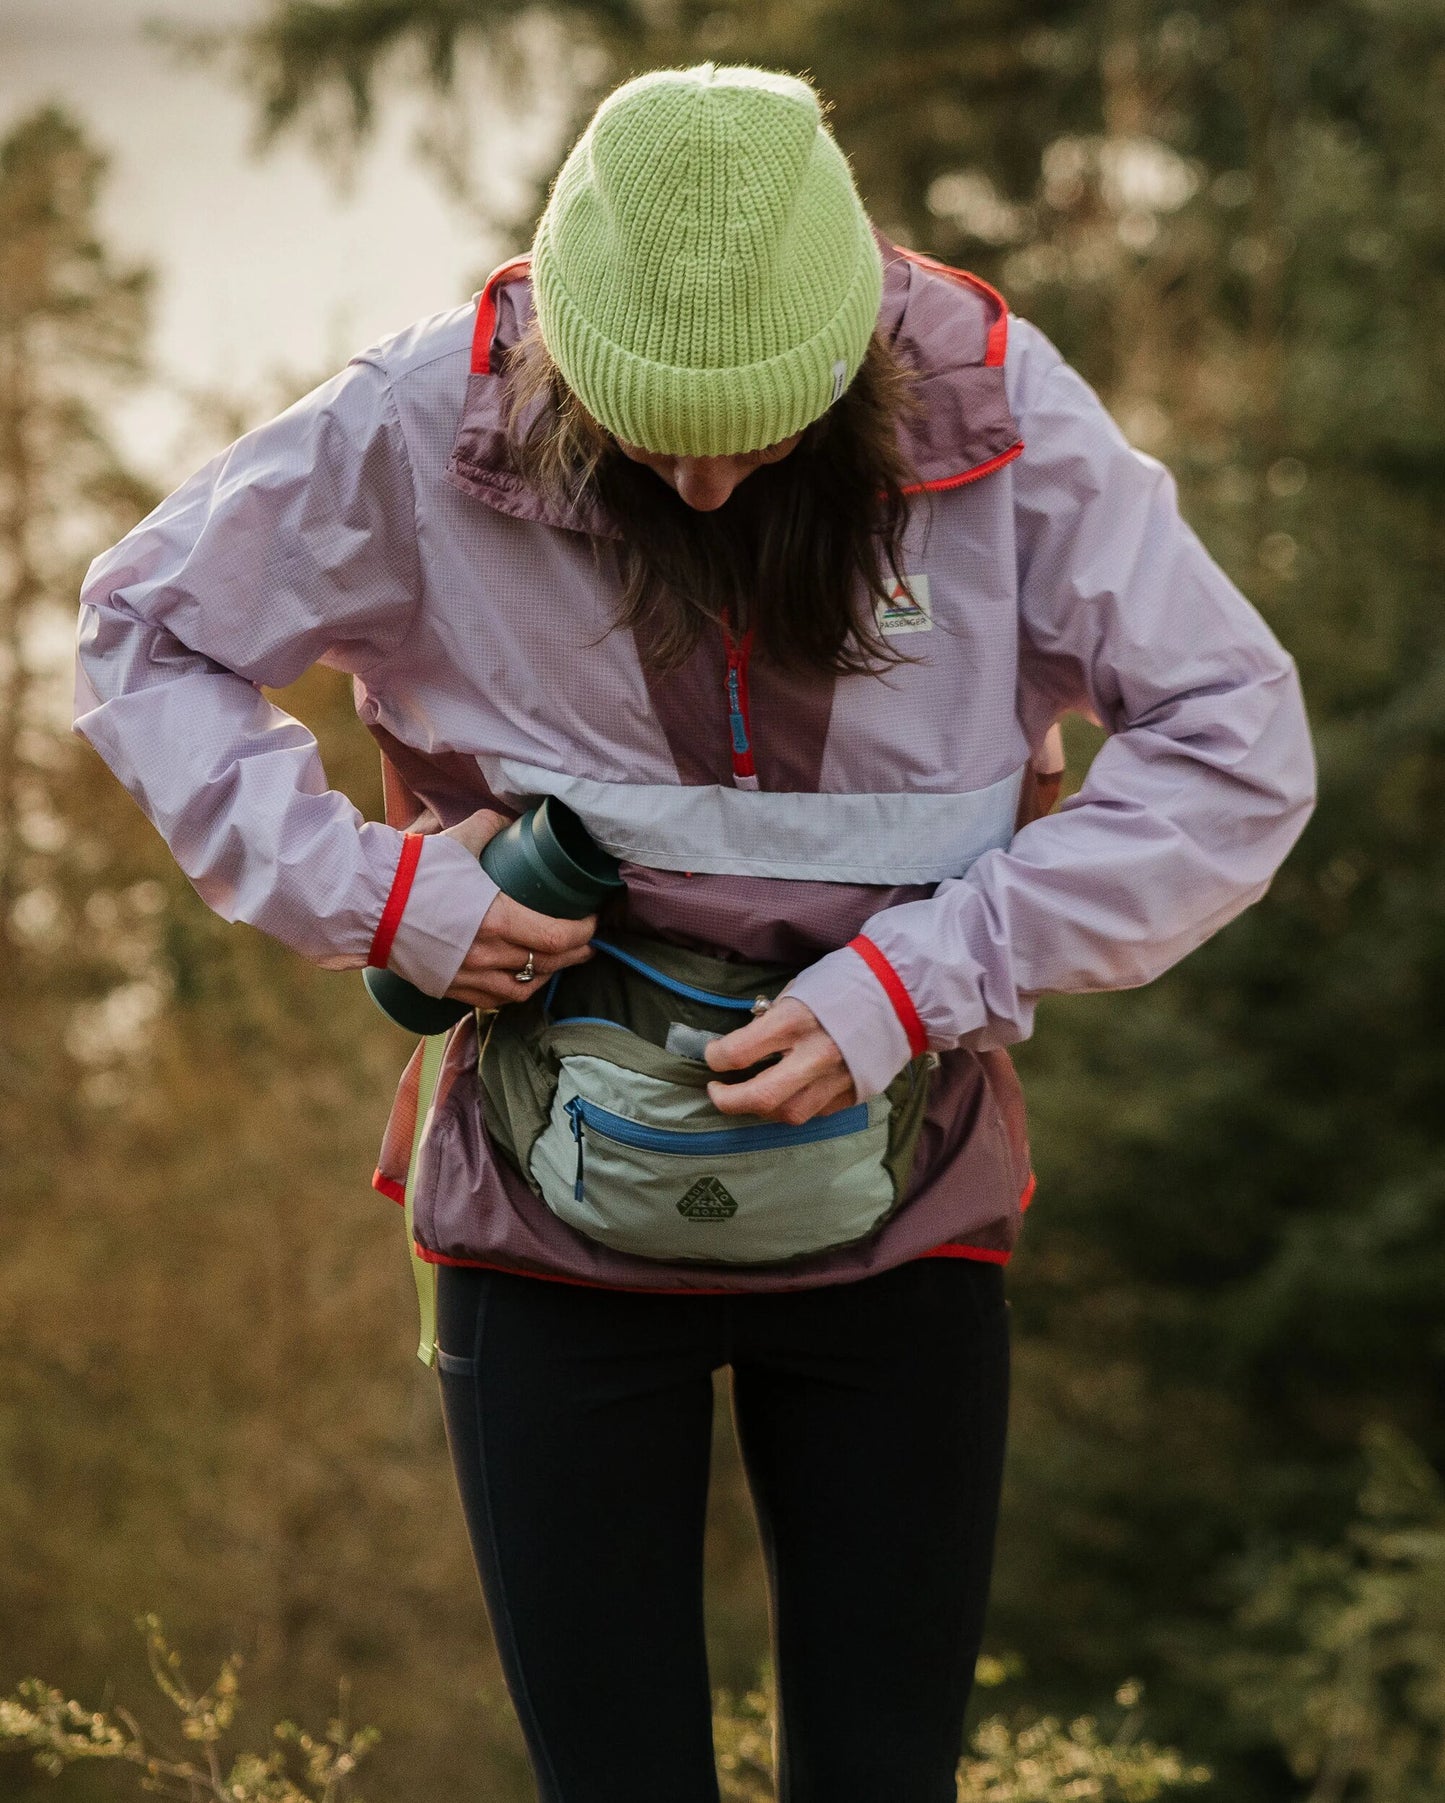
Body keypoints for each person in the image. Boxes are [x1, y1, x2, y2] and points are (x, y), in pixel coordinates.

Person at [74, 62, 1315, 1803]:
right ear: (559, 353)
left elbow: (1237, 751)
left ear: (859, 357)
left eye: (765, 427)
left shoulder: (1006, 423)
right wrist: (386, 895)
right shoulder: (417, 422)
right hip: (540, 1228)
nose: (714, 485)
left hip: (905, 1216)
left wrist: (914, 980)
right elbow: (141, 631)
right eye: (653, 429)